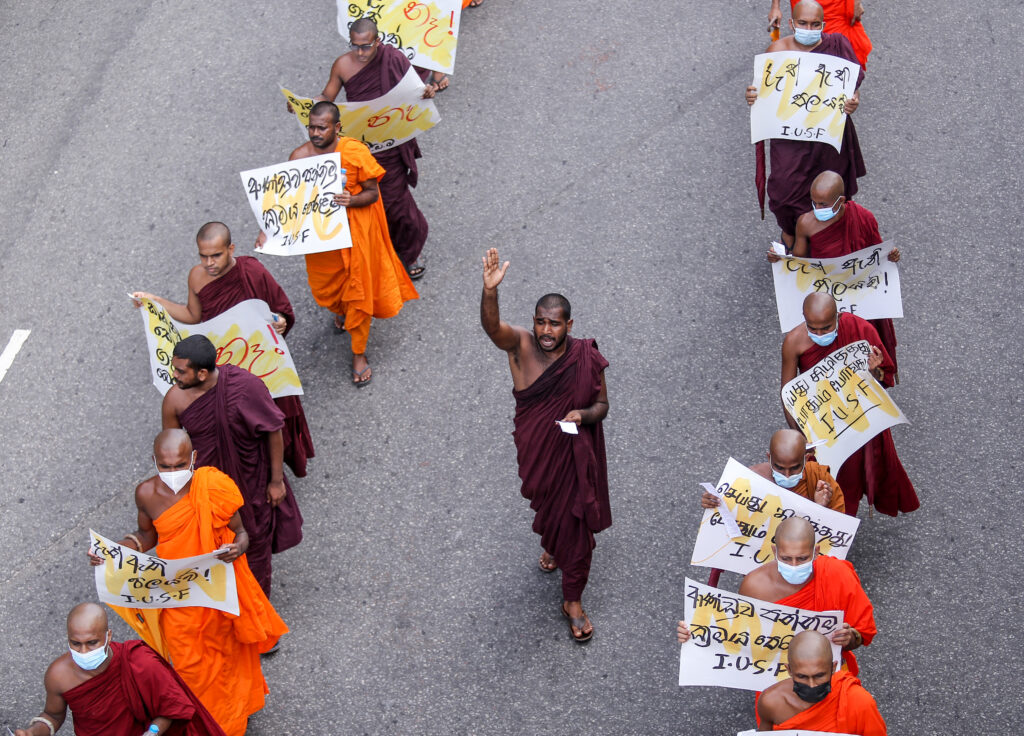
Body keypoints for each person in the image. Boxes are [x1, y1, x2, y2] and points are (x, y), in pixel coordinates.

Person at [88, 430, 288, 736]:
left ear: (194, 458)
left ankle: (232, 718)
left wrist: (238, 548)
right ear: (154, 461)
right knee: (189, 666)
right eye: (165, 466)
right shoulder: (146, 493)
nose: (173, 472)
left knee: (228, 657)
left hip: (217, 590)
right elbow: (146, 536)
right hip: (178, 595)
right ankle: (203, 721)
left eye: (180, 465)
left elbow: (241, 532)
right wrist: (113, 552)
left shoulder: (213, 487)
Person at [480, 248, 611, 642]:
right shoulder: (520, 345)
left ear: (569, 324)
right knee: (549, 510)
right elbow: (492, 328)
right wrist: (490, 291)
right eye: (540, 322)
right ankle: (554, 544)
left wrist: (582, 415)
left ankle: (572, 600)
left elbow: (602, 406)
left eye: (555, 324)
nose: (546, 331)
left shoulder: (586, 356)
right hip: (538, 453)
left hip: (573, 457)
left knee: (575, 527)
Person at [131, 221, 315, 476]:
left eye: (216, 255)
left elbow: (279, 307)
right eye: (203, 256)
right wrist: (155, 301)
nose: (209, 263)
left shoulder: (252, 271)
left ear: (231, 249)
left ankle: (275, 474)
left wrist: (282, 320)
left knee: (272, 419)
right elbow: (193, 315)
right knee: (238, 427)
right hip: (228, 365)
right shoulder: (197, 277)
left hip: (260, 361)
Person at [262, 101, 418, 386]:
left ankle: (359, 353)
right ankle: (340, 310)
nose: (315, 133)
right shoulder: (299, 157)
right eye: (312, 127)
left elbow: (372, 193)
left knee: (358, 293)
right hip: (322, 241)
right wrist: (268, 232)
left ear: (337, 128)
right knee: (325, 289)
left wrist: (351, 200)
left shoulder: (355, 152)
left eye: (322, 128)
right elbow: (288, 203)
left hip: (356, 235)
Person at [161, 335, 303, 595]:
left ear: (202, 373)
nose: (174, 375)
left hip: (251, 479)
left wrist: (276, 481)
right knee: (216, 548)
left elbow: (273, 430)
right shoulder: (174, 400)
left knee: (255, 544)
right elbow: (171, 448)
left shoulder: (246, 386)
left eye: (181, 371)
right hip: (209, 488)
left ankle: (257, 605)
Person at [678, 517, 875, 675]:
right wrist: (694, 634)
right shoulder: (755, 586)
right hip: (775, 676)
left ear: (816, 552)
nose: (794, 566)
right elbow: (736, 636)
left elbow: (862, 633)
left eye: (802, 558)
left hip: (829, 673)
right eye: (786, 558)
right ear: (774, 551)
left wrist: (850, 637)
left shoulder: (837, 573)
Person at [782, 293, 919, 516]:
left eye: (826, 328)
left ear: (838, 316)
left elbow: (881, 378)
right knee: (831, 483)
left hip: (862, 416)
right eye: (813, 328)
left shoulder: (860, 329)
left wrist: (875, 369)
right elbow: (788, 395)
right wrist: (802, 437)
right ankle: (837, 523)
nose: (819, 335)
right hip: (825, 423)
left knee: (870, 467)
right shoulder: (793, 342)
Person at [318, 18, 434, 279]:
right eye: (355, 46)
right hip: (360, 146)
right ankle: (377, 249)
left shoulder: (393, 59)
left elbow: (415, 91)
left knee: (396, 203)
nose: (360, 53)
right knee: (363, 202)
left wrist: (428, 91)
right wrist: (303, 105)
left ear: (378, 42)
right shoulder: (342, 65)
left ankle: (409, 252)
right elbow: (326, 97)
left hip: (390, 143)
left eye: (366, 46)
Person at [746, 0, 866, 249]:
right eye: (802, 23)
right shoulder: (777, 50)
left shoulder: (837, 45)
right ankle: (790, 231)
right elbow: (763, 90)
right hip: (789, 136)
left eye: (814, 24)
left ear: (823, 25)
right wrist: (752, 96)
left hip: (827, 134)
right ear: (792, 24)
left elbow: (851, 85)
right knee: (783, 193)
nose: (808, 29)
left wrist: (853, 101)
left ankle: (826, 232)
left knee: (829, 186)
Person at [13, 602, 225, 736]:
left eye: (92, 643)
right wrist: (33, 732)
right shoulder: (58, 675)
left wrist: (152, 733)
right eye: (76, 644)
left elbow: (172, 708)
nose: (84, 651)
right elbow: (53, 715)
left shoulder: (140, 661)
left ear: (108, 636)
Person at [768, 171, 902, 383]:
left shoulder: (863, 218)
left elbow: (877, 253)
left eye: (823, 204)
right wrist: (781, 260)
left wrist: (891, 256)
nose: (817, 209)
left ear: (840, 201)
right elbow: (799, 263)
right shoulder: (806, 223)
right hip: (823, 297)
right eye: (813, 203)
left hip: (859, 298)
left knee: (866, 351)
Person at [757, 630, 887, 733]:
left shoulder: (859, 702)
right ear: (789, 670)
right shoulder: (771, 702)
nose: (812, 685)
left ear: (833, 668)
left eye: (819, 676)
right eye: (802, 677)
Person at [701, 428, 846, 513]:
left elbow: (838, 532)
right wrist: (713, 503)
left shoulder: (819, 479)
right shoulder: (751, 479)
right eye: (779, 467)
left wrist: (820, 509)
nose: (787, 475)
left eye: (795, 468)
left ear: (806, 459)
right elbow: (727, 521)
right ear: (769, 458)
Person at [768, 0, 872, 68]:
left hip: (836, 8)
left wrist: (856, 2)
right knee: (805, 48)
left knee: (843, 56)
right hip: (804, 4)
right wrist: (775, 6)